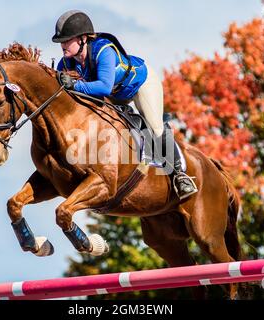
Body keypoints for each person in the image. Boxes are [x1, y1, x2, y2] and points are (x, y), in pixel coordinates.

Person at [52, 10, 197, 200]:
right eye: (61, 41)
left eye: (67, 40)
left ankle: (179, 175)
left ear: (83, 39)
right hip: (116, 94)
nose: (62, 45)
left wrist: (75, 85)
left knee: (154, 125)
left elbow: (103, 87)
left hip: (139, 84)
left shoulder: (104, 51)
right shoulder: (66, 63)